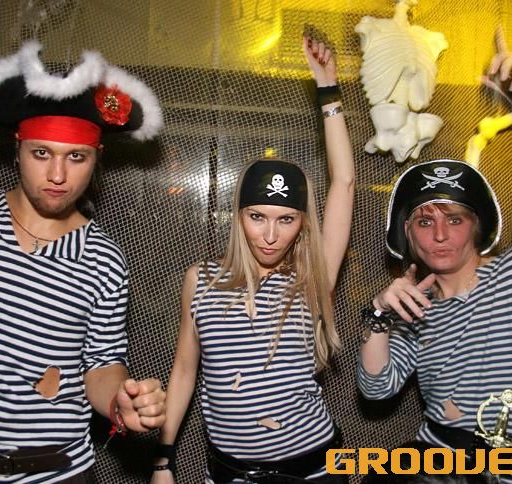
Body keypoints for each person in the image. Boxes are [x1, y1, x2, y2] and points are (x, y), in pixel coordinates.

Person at [0, 42, 166, 482]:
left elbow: (101, 364)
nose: (58, 175)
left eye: (76, 157)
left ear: (97, 158)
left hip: (58, 474)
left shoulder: (103, 258)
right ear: (17, 149)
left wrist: (122, 400)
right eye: (42, 153)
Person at [357, 31, 512, 483]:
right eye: (424, 222)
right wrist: (379, 317)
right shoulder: (417, 307)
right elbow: (377, 389)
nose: (440, 234)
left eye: (455, 220)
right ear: (407, 236)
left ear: (477, 227)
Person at [151, 36, 355, 484]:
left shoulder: (311, 277)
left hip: (315, 471)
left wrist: (328, 90)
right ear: (239, 215)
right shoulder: (201, 279)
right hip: (231, 474)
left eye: (286, 220)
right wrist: (163, 460)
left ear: (303, 223)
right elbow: (184, 370)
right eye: (257, 217)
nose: (270, 235)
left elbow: (343, 182)